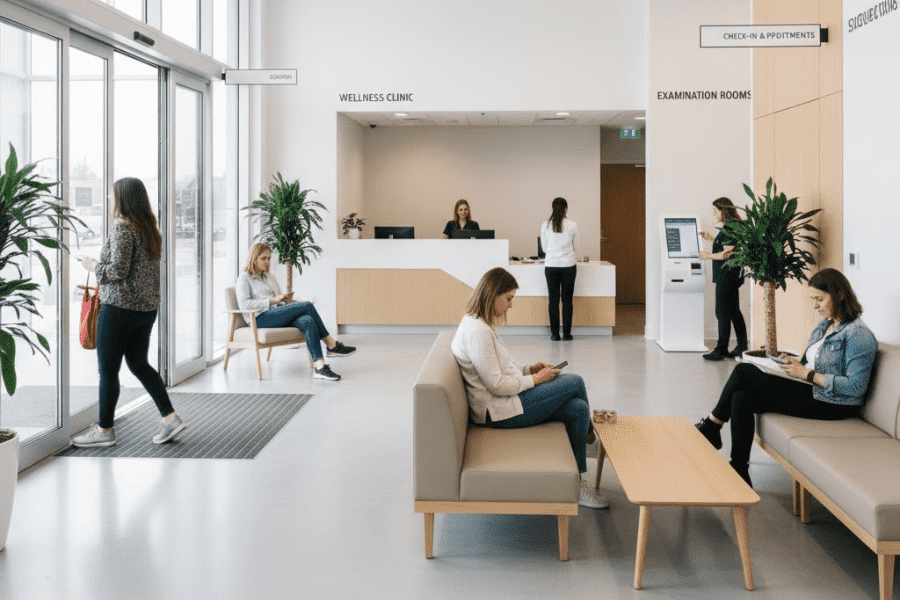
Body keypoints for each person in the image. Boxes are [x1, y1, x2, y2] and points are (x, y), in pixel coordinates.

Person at [694, 269, 878, 487]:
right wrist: (797, 365)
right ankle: (739, 471)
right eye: (813, 300)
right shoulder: (825, 325)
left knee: (744, 372)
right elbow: (813, 362)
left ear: (839, 295)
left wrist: (807, 374)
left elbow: (856, 387)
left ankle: (712, 426)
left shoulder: (859, 335)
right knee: (742, 394)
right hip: (811, 389)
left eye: (820, 299)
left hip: (834, 403)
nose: (815, 306)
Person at [451, 267, 608, 509]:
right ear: (492, 295)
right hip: (498, 412)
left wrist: (530, 369)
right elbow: (497, 385)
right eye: (509, 299)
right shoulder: (477, 332)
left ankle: (576, 483)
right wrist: (536, 380)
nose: (510, 306)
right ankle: (590, 438)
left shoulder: (480, 324)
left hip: (507, 402)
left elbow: (501, 368)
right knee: (575, 382)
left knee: (577, 408)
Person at [73, 178, 186, 448]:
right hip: (146, 309)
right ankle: (170, 418)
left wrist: (93, 266)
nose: (112, 200)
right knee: (138, 364)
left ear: (121, 198)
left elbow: (118, 271)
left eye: (113, 195)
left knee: (108, 371)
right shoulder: (150, 229)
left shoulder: (123, 227)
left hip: (119, 309)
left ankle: (104, 432)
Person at [236, 242, 355, 381]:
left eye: (268, 258)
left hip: (276, 313)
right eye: (263, 258)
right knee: (308, 305)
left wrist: (283, 301)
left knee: (308, 320)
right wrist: (272, 301)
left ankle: (320, 367)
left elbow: (279, 298)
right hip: (259, 318)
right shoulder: (244, 278)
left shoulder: (269, 277)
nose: (267, 262)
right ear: (254, 258)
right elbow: (244, 304)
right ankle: (331, 344)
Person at [699, 197, 748, 361]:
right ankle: (742, 347)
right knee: (734, 311)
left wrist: (707, 256)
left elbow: (726, 254)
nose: (713, 214)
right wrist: (712, 238)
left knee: (722, 312)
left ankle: (721, 350)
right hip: (732, 275)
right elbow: (729, 248)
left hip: (727, 276)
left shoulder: (732, 226)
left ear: (723, 210)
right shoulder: (732, 225)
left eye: (715, 211)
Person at [540, 197, 578, 341]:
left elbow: (544, 248)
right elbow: (577, 246)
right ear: (566, 209)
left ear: (553, 209)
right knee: (567, 301)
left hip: (551, 266)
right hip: (568, 266)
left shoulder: (545, 225)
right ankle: (567, 334)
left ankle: (555, 335)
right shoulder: (572, 225)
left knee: (553, 301)